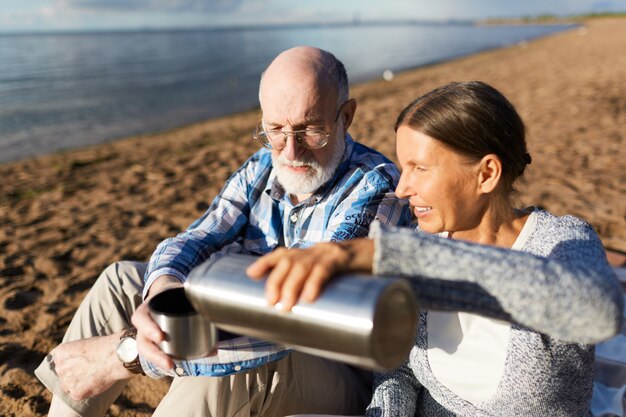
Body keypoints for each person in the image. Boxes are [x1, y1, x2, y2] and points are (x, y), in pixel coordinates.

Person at [34, 46, 410, 417]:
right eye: (275, 129)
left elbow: (301, 319)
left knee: (225, 366)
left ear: (346, 115)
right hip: (250, 315)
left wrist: (126, 356)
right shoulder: (263, 166)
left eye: (310, 130)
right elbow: (199, 237)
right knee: (120, 282)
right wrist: (164, 290)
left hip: (334, 368)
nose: (290, 152)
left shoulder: (376, 189)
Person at [247, 81, 624, 416]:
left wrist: (381, 255)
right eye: (402, 168)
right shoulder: (426, 241)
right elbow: (400, 370)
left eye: (420, 169)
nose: (402, 188)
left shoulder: (561, 242)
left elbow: (595, 310)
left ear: (487, 174)